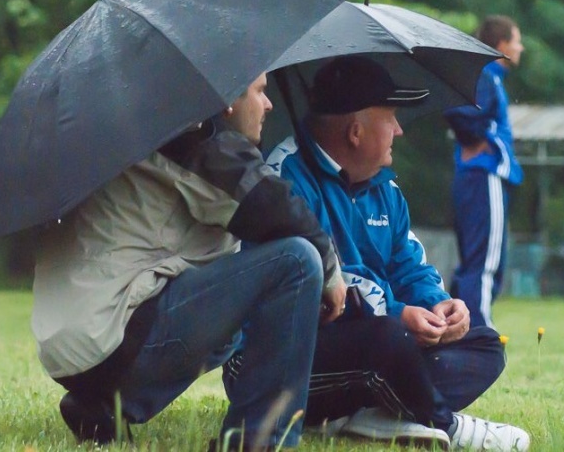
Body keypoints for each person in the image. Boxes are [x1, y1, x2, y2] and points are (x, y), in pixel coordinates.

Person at [29, 72, 346, 450]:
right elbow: (272, 206)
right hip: (113, 336)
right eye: (260, 91)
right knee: (297, 261)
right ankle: (259, 441)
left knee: (241, 269)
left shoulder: (136, 132)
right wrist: (331, 270)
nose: (269, 104)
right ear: (228, 100)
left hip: (78, 348)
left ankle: (105, 404)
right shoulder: (194, 141)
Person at [251, 56, 530, 451]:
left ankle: (366, 416)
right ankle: (445, 425)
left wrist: (440, 306)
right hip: (288, 360)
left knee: (485, 346)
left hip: (377, 348)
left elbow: (409, 263)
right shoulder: (286, 177)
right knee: (387, 338)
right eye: (392, 117)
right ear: (355, 131)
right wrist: (400, 315)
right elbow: (330, 280)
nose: (399, 130)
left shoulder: (385, 188)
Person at [442, 15, 524, 328]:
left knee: (475, 261)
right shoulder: (486, 76)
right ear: (501, 45)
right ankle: (479, 333)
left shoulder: (487, 77)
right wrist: (474, 138)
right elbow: (456, 110)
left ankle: (458, 327)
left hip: (475, 176)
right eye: (517, 40)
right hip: (484, 174)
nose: (521, 47)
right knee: (486, 263)